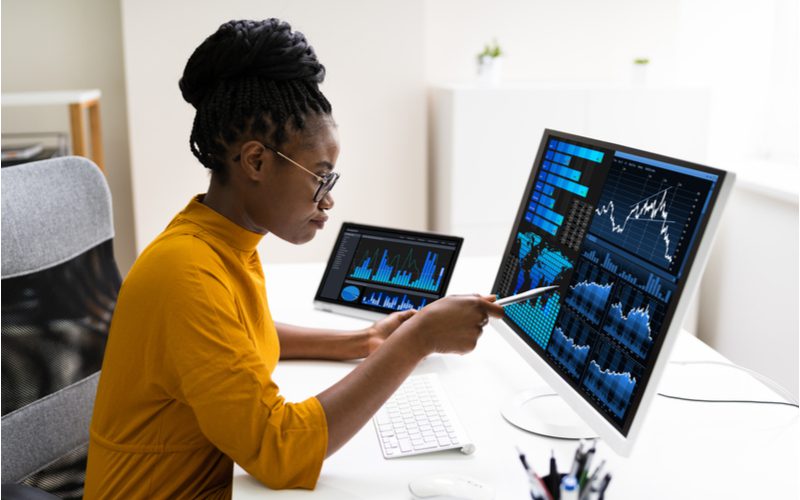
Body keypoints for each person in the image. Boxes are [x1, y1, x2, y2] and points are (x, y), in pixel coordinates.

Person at [84, 18, 503, 499]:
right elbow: (278, 451)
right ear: (256, 161)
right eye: (320, 177)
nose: (327, 200)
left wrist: (359, 340)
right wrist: (416, 340)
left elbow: (235, 339)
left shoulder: (219, 241)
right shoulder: (186, 274)